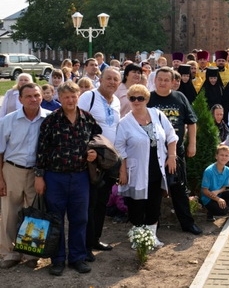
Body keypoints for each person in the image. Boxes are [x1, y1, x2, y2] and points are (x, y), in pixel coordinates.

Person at [35, 81, 101, 275]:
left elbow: (98, 139)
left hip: (80, 177)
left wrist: (94, 153)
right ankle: (57, 260)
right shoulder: (51, 120)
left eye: (73, 96)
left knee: (80, 218)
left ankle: (77, 258)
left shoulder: (87, 119)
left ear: (78, 96)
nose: (70, 100)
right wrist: (39, 176)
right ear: (59, 98)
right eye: (66, 97)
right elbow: (41, 150)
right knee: (56, 219)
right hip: (55, 177)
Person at [116, 84, 178, 247]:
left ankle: (151, 236)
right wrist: (122, 170)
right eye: (133, 98)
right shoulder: (124, 122)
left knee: (154, 202)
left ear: (146, 99)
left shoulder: (157, 114)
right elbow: (119, 148)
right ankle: (138, 237)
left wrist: (172, 155)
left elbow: (171, 135)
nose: (136, 101)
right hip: (136, 169)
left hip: (157, 166)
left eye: (140, 98)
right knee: (136, 204)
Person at [146, 67, 202, 235]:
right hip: (153, 153)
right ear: (155, 81)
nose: (163, 82)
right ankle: (152, 225)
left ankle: (187, 223)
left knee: (179, 188)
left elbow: (191, 122)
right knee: (154, 190)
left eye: (166, 80)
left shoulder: (180, 98)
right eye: (160, 79)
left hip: (177, 152)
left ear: (172, 82)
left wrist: (192, 144)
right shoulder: (148, 99)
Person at [0, 83, 48, 269]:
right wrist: (1, 179)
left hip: (37, 173)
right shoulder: (8, 121)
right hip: (12, 170)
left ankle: (30, 253)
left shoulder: (49, 119)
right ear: (20, 99)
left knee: (35, 213)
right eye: (28, 96)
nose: (33, 99)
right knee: (10, 213)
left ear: (41, 97)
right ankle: (9, 253)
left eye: (36, 95)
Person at [77, 67, 122, 260]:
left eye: (115, 80)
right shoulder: (89, 97)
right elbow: (78, 125)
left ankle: (95, 239)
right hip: (92, 160)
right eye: (108, 78)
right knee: (89, 204)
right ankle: (84, 246)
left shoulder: (117, 101)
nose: (112, 82)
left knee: (101, 203)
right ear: (100, 79)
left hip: (109, 160)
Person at [201, 145, 229, 222]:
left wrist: (217, 192)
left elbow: (224, 187)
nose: (224, 157)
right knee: (223, 211)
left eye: (226, 155)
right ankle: (210, 211)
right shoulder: (209, 171)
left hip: (218, 194)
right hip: (208, 198)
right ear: (216, 156)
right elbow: (204, 190)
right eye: (221, 155)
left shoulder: (227, 170)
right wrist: (218, 199)